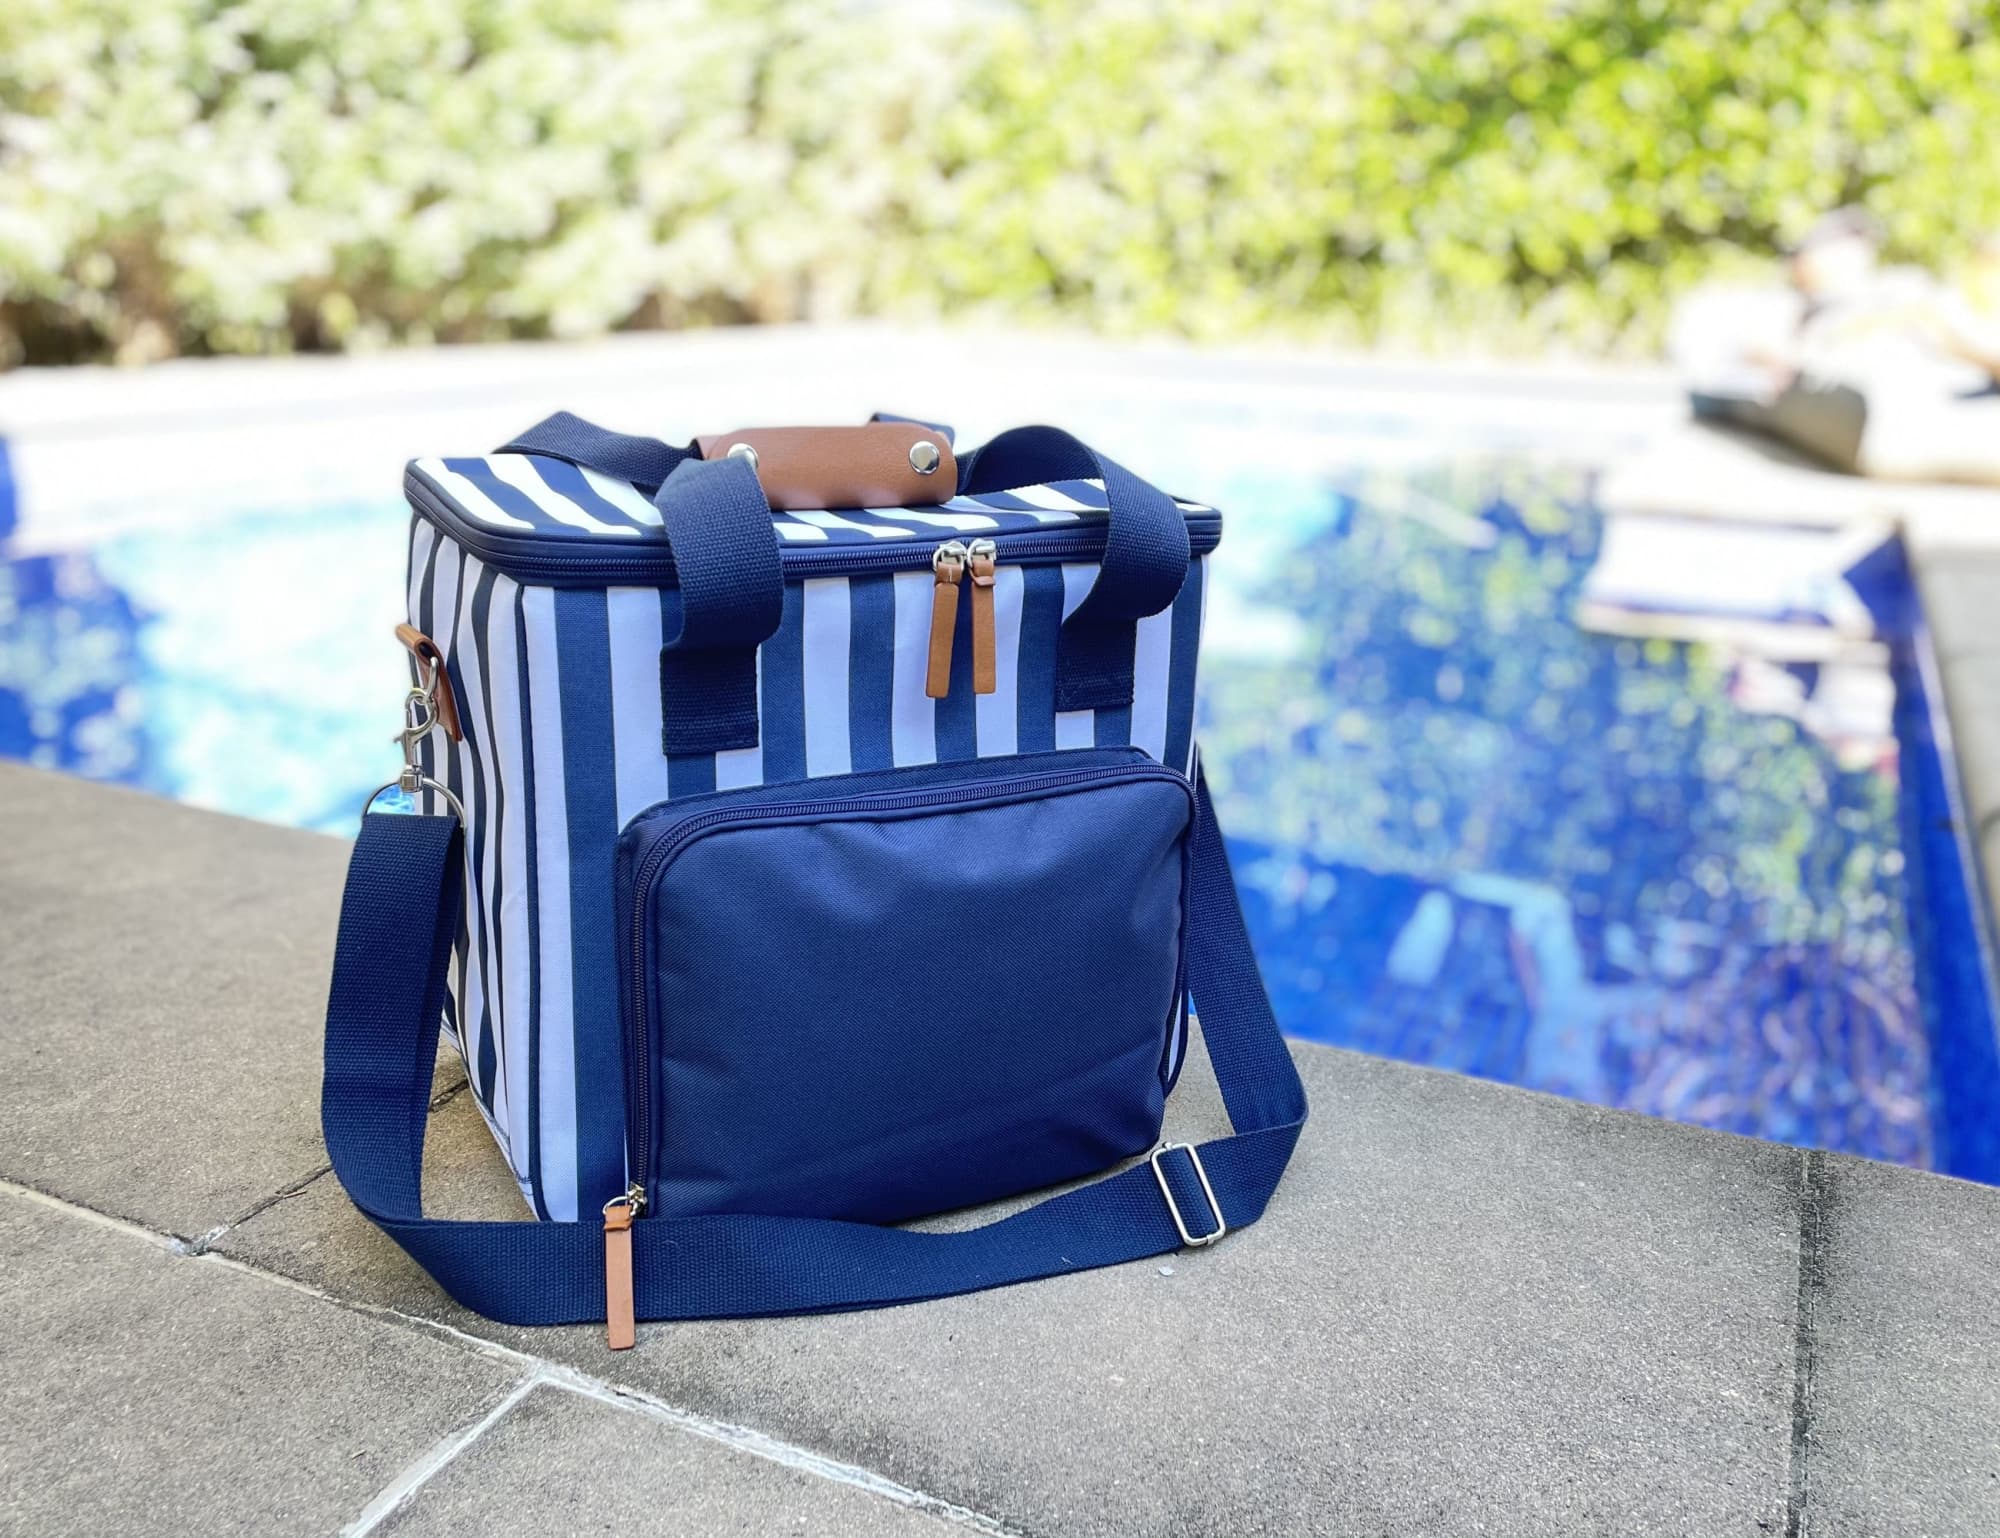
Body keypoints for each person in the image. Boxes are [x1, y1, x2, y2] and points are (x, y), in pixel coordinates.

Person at [1675, 209, 2000, 483]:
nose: (1856, 251)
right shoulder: (1778, 311)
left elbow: (1970, 339)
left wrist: (1938, 329)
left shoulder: (1905, 290)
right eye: (1839, 243)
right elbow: (1734, 363)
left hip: (1941, 404)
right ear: (1800, 262)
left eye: (1860, 240)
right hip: (1871, 417)